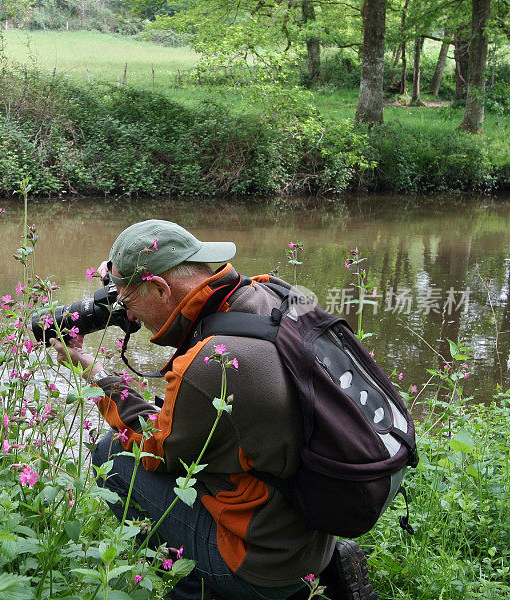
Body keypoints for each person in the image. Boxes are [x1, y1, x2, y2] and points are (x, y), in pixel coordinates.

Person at [53, 220, 378, 600]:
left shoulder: (210, 361)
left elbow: (153, 449)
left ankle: (203, 581)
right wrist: (122, 277)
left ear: (160, 287)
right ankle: (319, 569)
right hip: (313, 517)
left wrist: (97, 375)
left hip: (263, 562)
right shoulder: (273, 292)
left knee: (112, 453)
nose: (131, 318)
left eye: (128, 303)